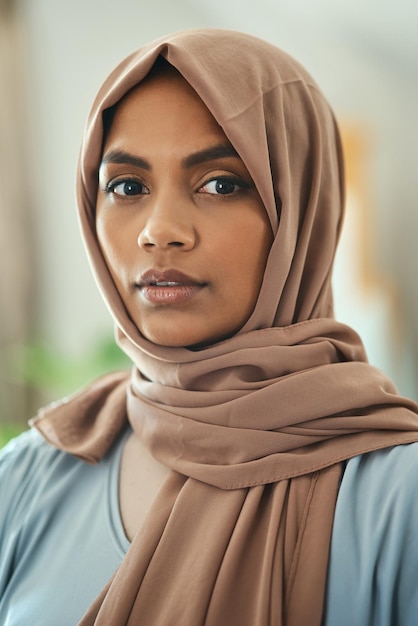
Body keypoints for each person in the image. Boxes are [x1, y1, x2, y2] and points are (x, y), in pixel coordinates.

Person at [1, 28, 418, 626]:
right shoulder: (31, 475)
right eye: (127, 186)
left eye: (221, 184)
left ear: (302, 210)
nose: (160, 230)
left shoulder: (398, 497)